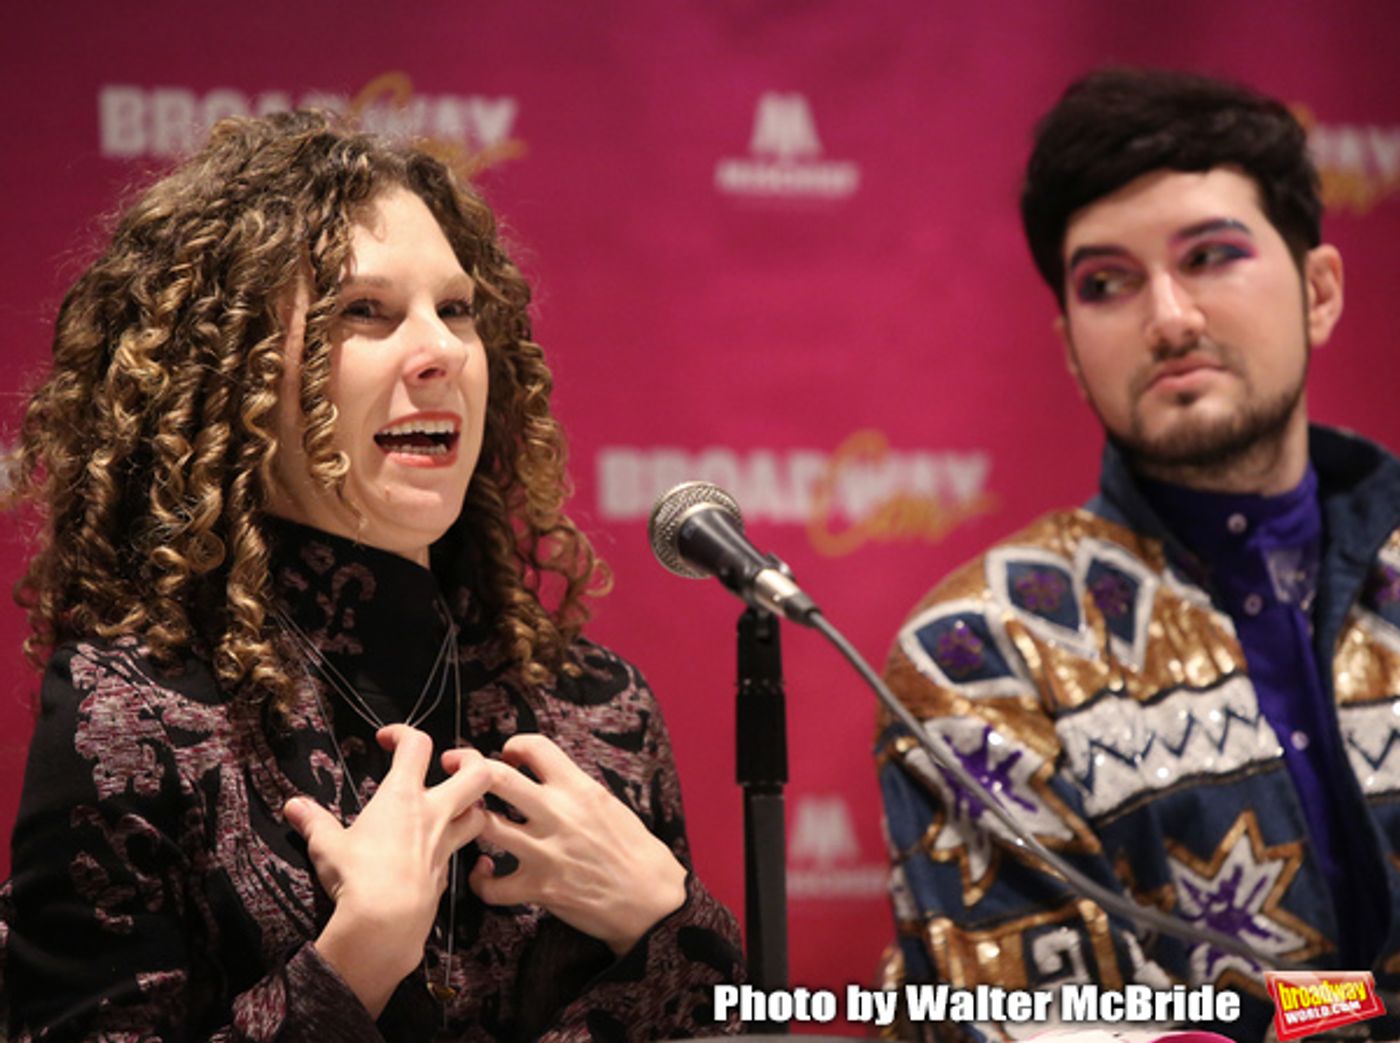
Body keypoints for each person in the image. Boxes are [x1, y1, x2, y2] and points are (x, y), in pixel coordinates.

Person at [1, 109, 744, 1041]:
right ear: (239, 374)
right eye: (366, 310)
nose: (439, 351)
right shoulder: (136, 713)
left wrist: (667, 921)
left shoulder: (597, 710)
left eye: (458, 310)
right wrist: (354, 959)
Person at [876, 68, 1400, 1040]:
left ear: (1318, 290)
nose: (1167, 318)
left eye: (1209, 255)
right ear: (1072, 349)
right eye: (1106, 283)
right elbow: (1027, 1022)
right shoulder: (980, 652)